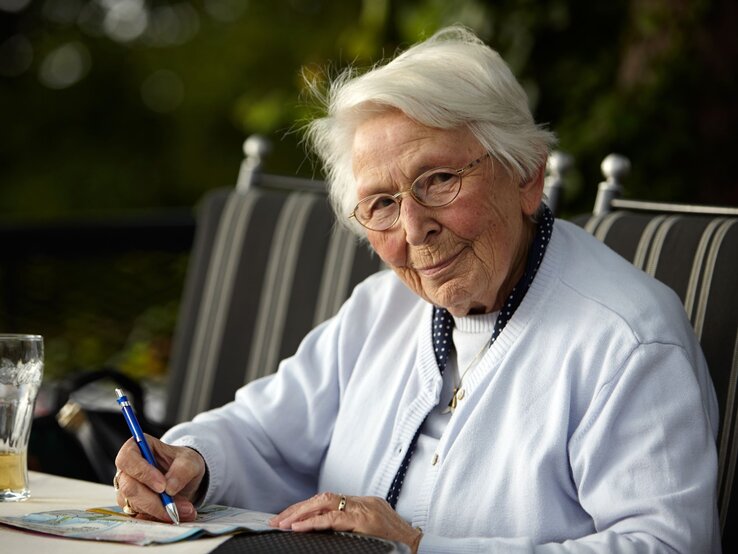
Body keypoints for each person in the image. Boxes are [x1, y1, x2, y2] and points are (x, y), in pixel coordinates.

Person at [114, 26, 720, 552]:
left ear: (527, 176)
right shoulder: (382, 307)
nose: (413, 229)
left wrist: (420, 548)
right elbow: (263, 434)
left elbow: (664, 545)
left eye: (439, 180)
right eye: (380, 203)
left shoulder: (628, 341)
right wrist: (193, 461)